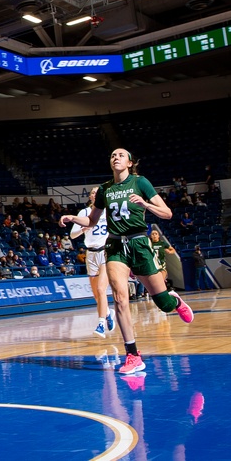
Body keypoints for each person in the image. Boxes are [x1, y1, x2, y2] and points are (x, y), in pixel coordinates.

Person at [60, 148, 193, 375]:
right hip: (114, 246)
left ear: (130, 163)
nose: (116, 157)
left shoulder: (141, 183)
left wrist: (145, 205)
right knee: (121, 298)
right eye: (112, 155)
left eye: (121, 155)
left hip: (139, 243)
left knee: (163, 304)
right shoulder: (104, 189)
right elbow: (91, 220)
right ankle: (132, 354)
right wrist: (73, 218)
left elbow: (167, 213)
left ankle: (175, 300)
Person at [69, 187, 114, 337]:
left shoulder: (109, 210)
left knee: (101, 290)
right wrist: (84, 228)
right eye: (93, 192)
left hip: (105, 251)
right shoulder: (84, 213)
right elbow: (73, 235)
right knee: (96, 294)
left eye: (98, 192)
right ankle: (107, 313)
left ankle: (101, 324)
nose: (95, 194)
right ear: (90, 197)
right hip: (91, 254)